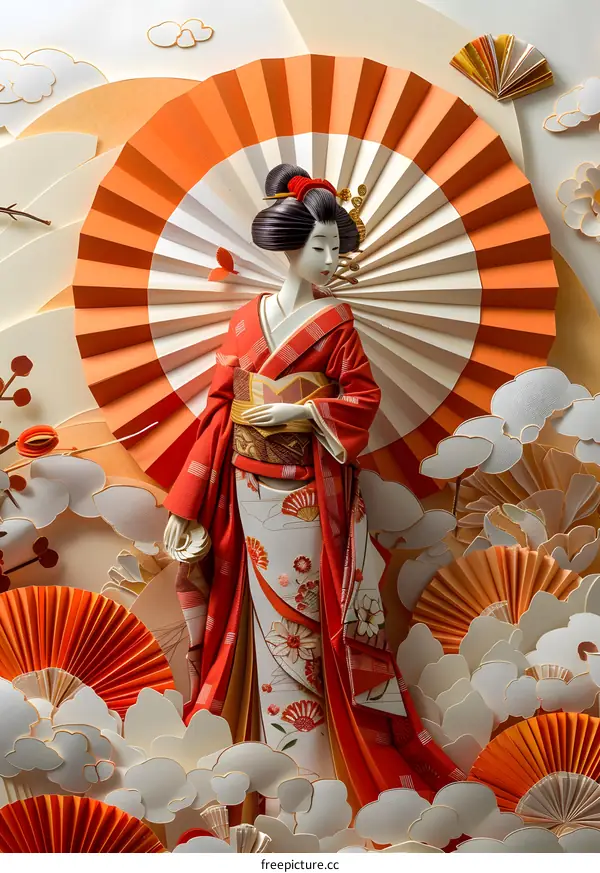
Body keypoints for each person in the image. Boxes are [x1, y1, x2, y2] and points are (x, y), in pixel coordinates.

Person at [163, 163, 461, 809]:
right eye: (320, 246)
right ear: (290, 244)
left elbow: (362, 396)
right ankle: (275, 757)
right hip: (247, 485)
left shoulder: (337, 321)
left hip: (308, 487)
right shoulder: (248, 319)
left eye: (335, 247)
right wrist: (188, 505)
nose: (330, 259)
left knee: (305, 613)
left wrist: (301, 413)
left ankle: (316, 761)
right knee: (263, 614)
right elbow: (218, 409)